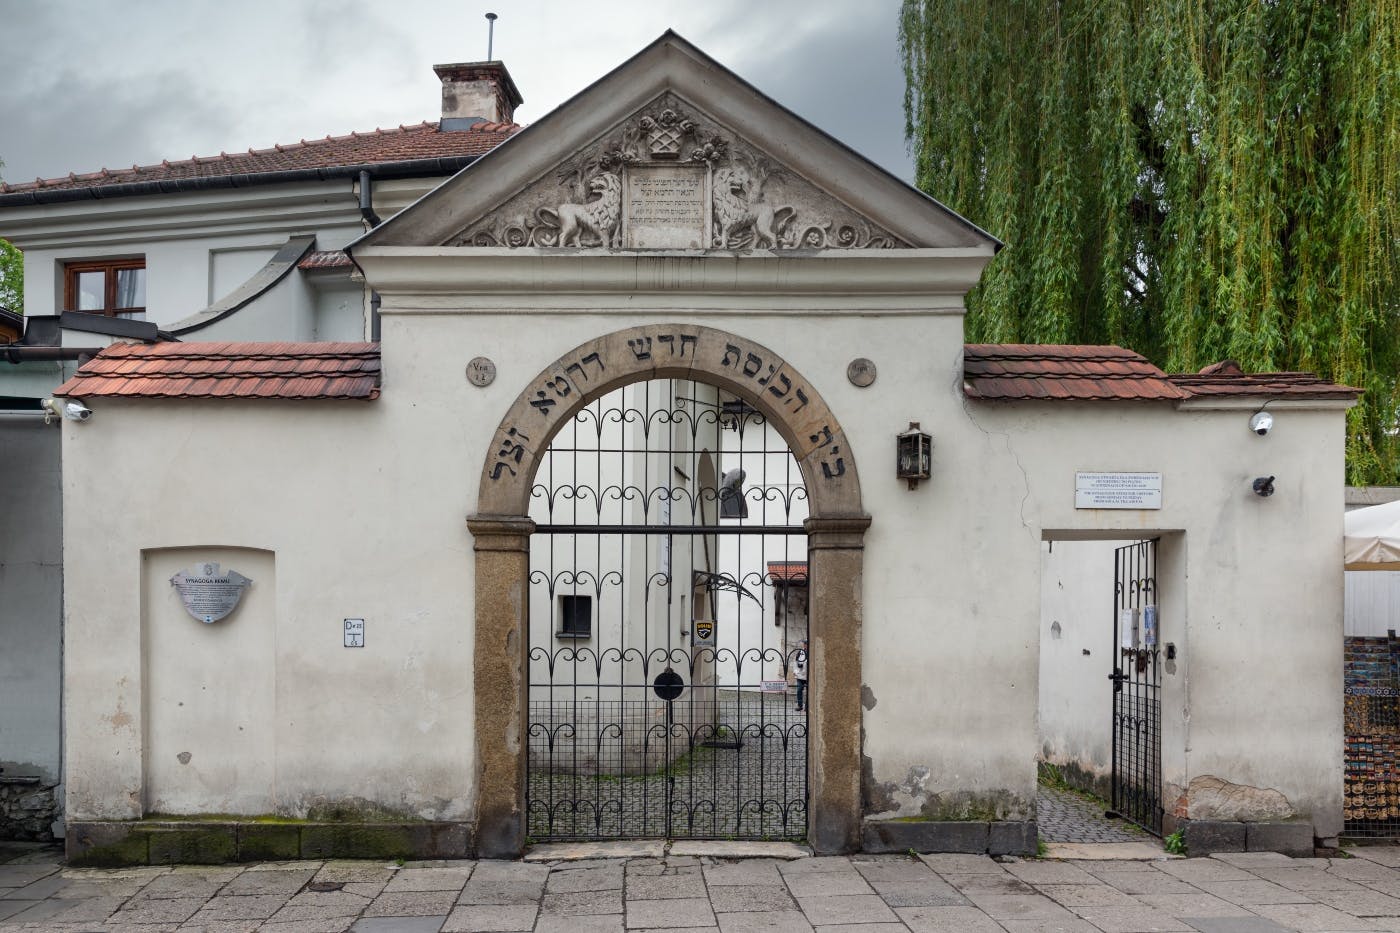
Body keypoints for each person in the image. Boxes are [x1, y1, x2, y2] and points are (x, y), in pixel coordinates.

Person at [792, 639, 808, 712]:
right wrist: (795, 671)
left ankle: (807, 707)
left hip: (808, 676)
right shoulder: (800, 652)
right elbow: (795, 663)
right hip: (800, 676)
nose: (805, 645)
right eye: (804, 643)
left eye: (806, 643)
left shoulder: (811, 652)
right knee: (799, 690)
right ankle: (800, 705)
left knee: (809, 691)